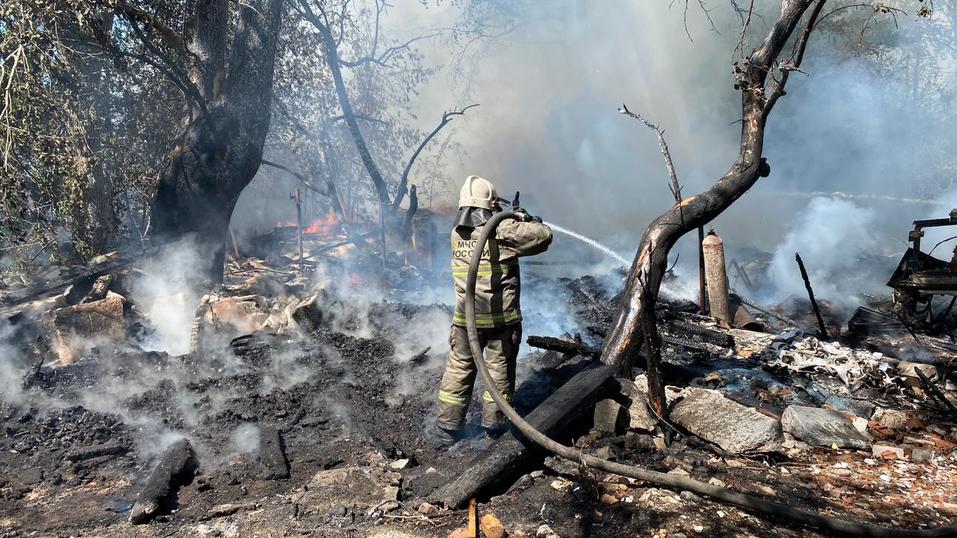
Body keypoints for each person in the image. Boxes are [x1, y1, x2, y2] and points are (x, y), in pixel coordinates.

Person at [431, 175, 553, 445]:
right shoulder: (502, 230)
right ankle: (494, 427)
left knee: (459, 369)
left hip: (466, 320)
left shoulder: (456, 233)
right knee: (498, 371)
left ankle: (446, 428)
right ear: (491, 204)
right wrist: (525, 219)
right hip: (500, 320)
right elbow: (544, 237)